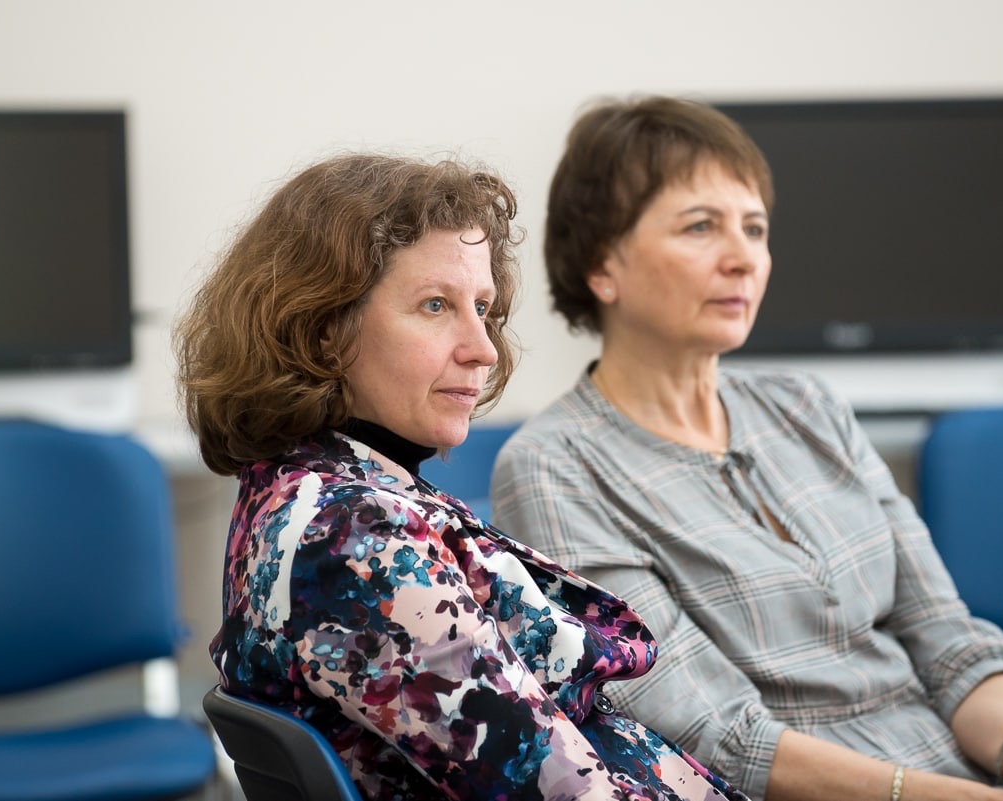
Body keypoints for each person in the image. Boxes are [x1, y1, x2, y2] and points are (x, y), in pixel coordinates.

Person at [490, 96, 1003, 801]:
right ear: (602, 264)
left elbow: (950, 641)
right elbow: (719, 737)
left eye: (754, 229)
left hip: (967, 778)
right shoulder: (552, 466)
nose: (743, 260)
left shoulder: (807, 405)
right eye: (701, 227)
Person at [175, 152, 751, 801]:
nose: (484, 348)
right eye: (435, 305)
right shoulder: (352, 539)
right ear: (322, 328)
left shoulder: (314, 487)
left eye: (482, 307)